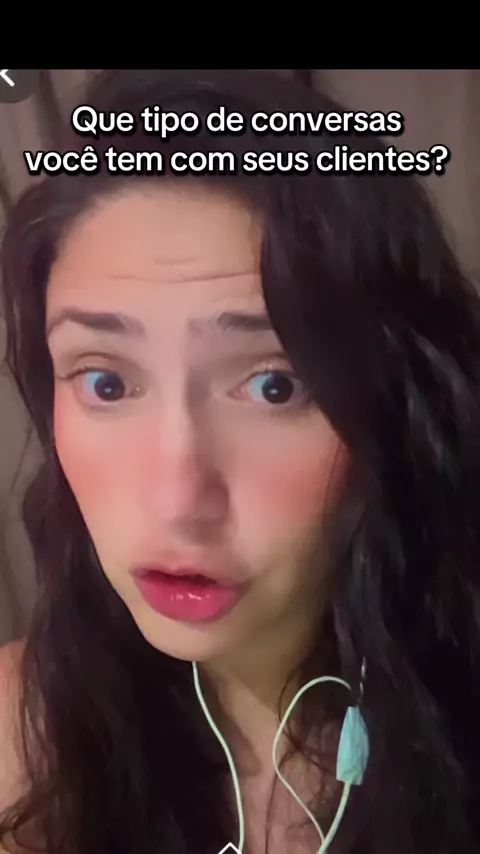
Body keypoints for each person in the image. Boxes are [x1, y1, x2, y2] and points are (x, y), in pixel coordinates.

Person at [0, 69, 479, 854]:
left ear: (396, 402)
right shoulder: (23, 733)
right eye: (107, 382)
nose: (175, 498)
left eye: (273, 385)